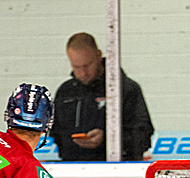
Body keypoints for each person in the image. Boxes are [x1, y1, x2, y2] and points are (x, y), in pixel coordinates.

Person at [49, 32, 154, 162]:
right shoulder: (65, 92)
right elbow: (56, 133)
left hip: (118, 169)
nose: (83, 73)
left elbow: (143, 135)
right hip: (74, 168)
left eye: (87, 65)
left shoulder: (125, 89)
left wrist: (108, 139)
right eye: (76, 67)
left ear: (99, 55)